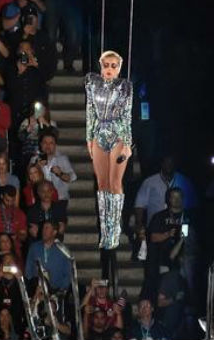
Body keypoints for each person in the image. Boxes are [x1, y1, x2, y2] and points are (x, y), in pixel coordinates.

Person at [85, 51, 133, 252]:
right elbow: (90, 111)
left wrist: (127, 143)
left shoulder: (125, 86)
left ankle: (115, 230)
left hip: (117, 134)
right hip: (99, 134)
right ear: (101, 65)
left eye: (114, 66)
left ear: (119, 67)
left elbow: (127, 115)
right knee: (102, 184)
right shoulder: (92, 82)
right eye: (106, 65)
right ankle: (105, 232)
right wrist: (88, 138)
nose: (109, 69)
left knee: (115, 183)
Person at [141, 188, 189, 301]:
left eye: (179, 197)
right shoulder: (160, 216)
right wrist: (167, 234)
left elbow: (189, 238)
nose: (176, 200)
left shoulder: (188, 216)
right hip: (160, 261)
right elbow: (153, 237)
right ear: (168, 199)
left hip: (181, 262)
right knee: (155, 290)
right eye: (173, 197)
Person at [31, 130, 77, 210]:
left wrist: (60, 174)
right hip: (40, 200)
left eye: (51, 143)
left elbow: (72, 177)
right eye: (45, 143)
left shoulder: (62, 159)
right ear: (41, 144)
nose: (48, 146)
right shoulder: (34, 159)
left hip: (60, 199)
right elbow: (29, 180)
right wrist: (37, 168)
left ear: (55, 145)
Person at [25, 221, 71, 290]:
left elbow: (68, 273)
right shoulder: (34, 247)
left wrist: (62, 290)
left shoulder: (63, 249)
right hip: (38, 291)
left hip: (56, 290)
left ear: (54, 232)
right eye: (43, 228)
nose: (44, 231)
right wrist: (31, 287)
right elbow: (28, 269)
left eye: (47, 228)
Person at [0, 185, 27, 255]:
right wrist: (0, 239)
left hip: (14, 251)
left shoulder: (20, 213)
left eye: (12, 200)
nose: (10, 203)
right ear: (2, 196)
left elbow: (24, 236)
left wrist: (16, 236)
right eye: (7, 200)